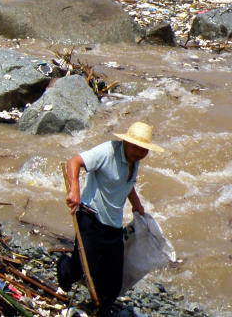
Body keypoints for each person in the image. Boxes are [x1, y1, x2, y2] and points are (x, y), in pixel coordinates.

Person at [56, 121, 166, 315]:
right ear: (126, 143)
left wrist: (136, 204)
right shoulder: (107, 152)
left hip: (113, 226)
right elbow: (74, 161)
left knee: (113, 281)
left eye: (143, 150)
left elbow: (126, 183)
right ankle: (63, 266)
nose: (139, 153)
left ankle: (98, 308)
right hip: (91, 218)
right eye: (135, 147)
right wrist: (74, 189)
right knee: (78, 270)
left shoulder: (134, 160)